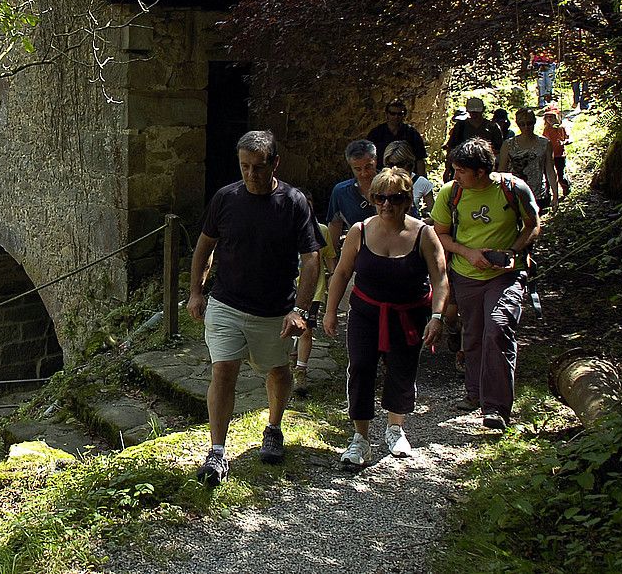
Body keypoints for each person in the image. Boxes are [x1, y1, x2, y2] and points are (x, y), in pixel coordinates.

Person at [188, 130, 322, 483]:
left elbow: (311, 258)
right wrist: (196, 292)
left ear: (275, 163)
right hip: (227, 303)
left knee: (277, 371)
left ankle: (274, 427)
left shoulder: (293, 203)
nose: (251, 174)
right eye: (244, 166)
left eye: (258, 167)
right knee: (224, 371)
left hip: (273, 310)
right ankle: (217, 452)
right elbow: (204, 246)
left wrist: (301, 310)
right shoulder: (225, 198)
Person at [324, 168, 448, 467]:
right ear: (372, 199)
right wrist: (330, 311)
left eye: (394, 198)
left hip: (409, 315)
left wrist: (437, 316)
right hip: (366, 314)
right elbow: (341, 272)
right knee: (361, 369)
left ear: (407, 200)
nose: (386, 204)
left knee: (401, 370)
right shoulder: (360, 230)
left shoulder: (424, 234)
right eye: (380, 197)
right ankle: (360, 439)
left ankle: (395, 428)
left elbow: (440, 278)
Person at [430, 138, 539, 431]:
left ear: (480, 172)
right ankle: (475, 394)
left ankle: (496, 408)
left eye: (461, 171)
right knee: (474, 333)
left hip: (506, 275)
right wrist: (469, 253)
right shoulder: (450, 194)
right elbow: (439, 234)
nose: (454, 177)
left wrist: (514, 251)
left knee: (499, 328)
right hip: (467, 275)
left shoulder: (512, 189)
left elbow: (533, 224)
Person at [293, 198, 336, 396]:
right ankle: (288, 364)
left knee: (306, 331)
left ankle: (300, 370)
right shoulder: (283, 226)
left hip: (312, 290)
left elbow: (329, 257)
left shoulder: (321, 230)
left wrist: (335, 279)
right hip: (286, 290)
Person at [498, 108, 559, 213]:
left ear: (534, 122)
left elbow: (550, 170)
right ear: (517, 124)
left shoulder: (545, 143)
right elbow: (501, 172)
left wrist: (555, 195)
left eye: (529, 123)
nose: (526, 127)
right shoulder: (508, 145)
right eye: (522, 124)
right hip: (514, 193)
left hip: (539, 194)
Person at [326, 140, 380, 257]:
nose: (364, 173)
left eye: (368, 167)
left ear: (375, 160)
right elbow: (335, 226)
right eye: (358, 169)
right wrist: (332, 265)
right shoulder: (341, 193)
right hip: (359, 256)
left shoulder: (391, 186)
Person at [444, 97, 503, 180]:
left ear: (482, 111)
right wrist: (447, 169)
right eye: (472, 112)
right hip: (463, 167)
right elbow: (451, 148)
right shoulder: (461, 126)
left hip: (485, 168)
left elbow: (500, 150)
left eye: (477, 112)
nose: (474, 114)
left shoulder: (492, 127)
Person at [366, 99, 427, 175]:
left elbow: (420, 159)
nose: (396, 117)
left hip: (406, 175)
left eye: (399, 114)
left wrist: (421, 180)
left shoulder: (412, 134)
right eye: (392, 113)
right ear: (387, 114)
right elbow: (369, 158)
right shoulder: (376, 133)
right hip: (382, 175)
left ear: (404, 115)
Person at [383, 140, 436, 216]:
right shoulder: (382, 183)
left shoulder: (421, 183)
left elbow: (434, 216)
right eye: (390, 165)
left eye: (399, 165)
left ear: (409, 164)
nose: (395, 168)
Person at [542, 106, 572, 197]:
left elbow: (569, 139)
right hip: (549, 155)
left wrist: (563, 142)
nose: (549, 119)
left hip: (559, 155)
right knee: (548, 175)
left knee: (560, 175)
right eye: (547, 117)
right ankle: (548, 193)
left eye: (552, 116)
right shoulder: (546, 129)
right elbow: (544, 140)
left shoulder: (561, 128)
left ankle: (566, 188)